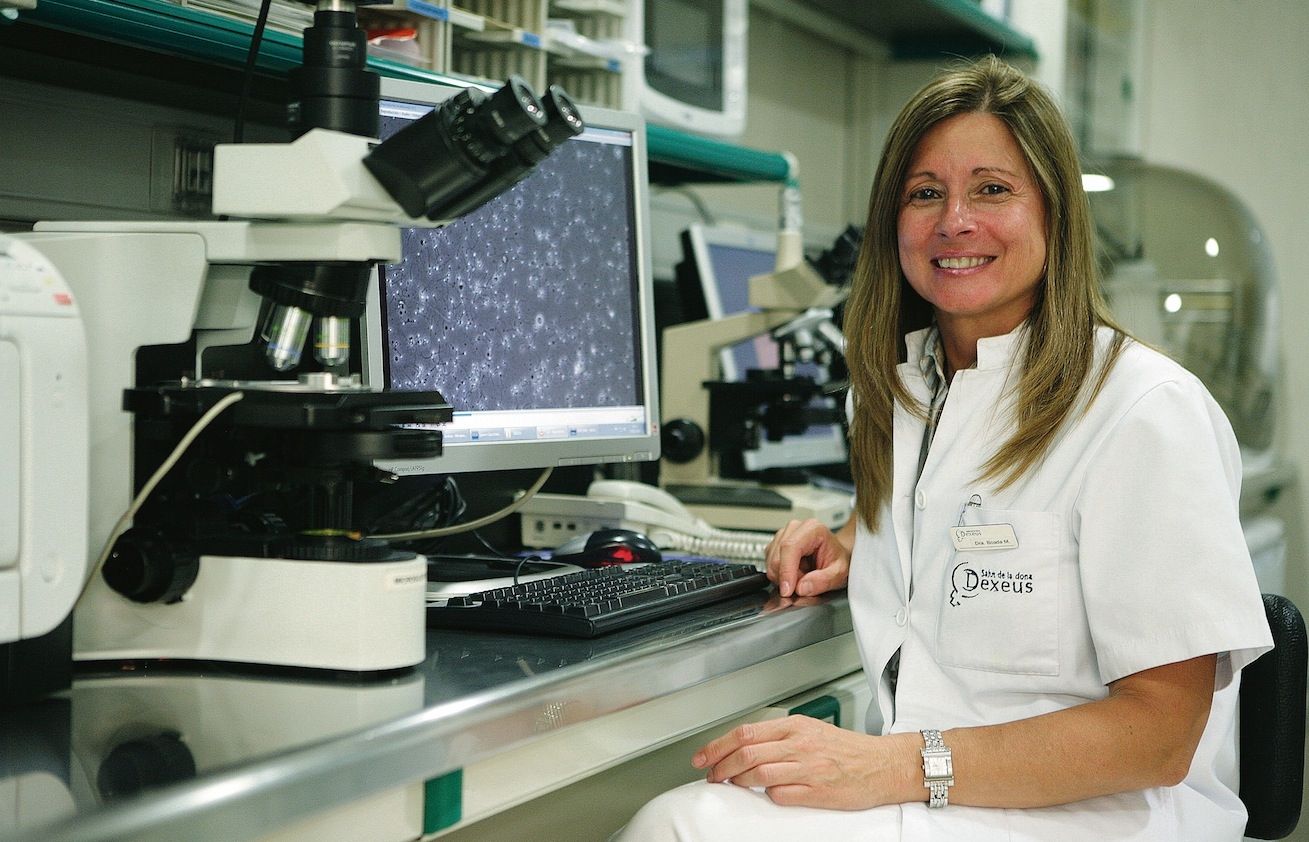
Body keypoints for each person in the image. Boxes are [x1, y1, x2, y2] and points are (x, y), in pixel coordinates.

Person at [616, 56, 1273, 841]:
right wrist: (870, 544)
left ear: (1053, 213)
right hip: (938, 798)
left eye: (991, 189)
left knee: (679, 828)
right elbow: (991, 533)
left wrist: (885, 768)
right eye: (924, 193)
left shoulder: (1142, 411)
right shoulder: (908, 390)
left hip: (1096, 819)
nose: (953, 221)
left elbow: (1159, 736)